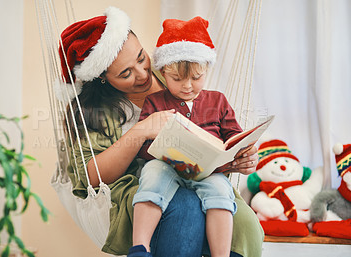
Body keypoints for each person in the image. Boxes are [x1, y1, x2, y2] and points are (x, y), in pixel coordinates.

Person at [58, 6, 264, 257]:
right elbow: (90, 177)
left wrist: (239, 157)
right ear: (102, 78)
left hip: (203, 178)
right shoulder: (92, 110)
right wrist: (141, 131)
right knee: (185, 207)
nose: (143, 74)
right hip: (145, 184)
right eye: (125, 73)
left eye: (141, 58)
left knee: (247, 227)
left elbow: (216, 127)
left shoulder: (174, 69)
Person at [130, 16, 243, 257]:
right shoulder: (155, 101)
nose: (188, 86)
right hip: (167, 167)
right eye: (177, 79)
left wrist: (240, 149)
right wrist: (156, 143)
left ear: (206, 70)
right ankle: (140, 247)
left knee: (222, 193)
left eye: (196, 77)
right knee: (150, 175)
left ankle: (220, 253)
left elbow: (234, 136)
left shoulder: (218, 100)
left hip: (207, 172)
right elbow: (142, 146)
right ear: (163, 72)